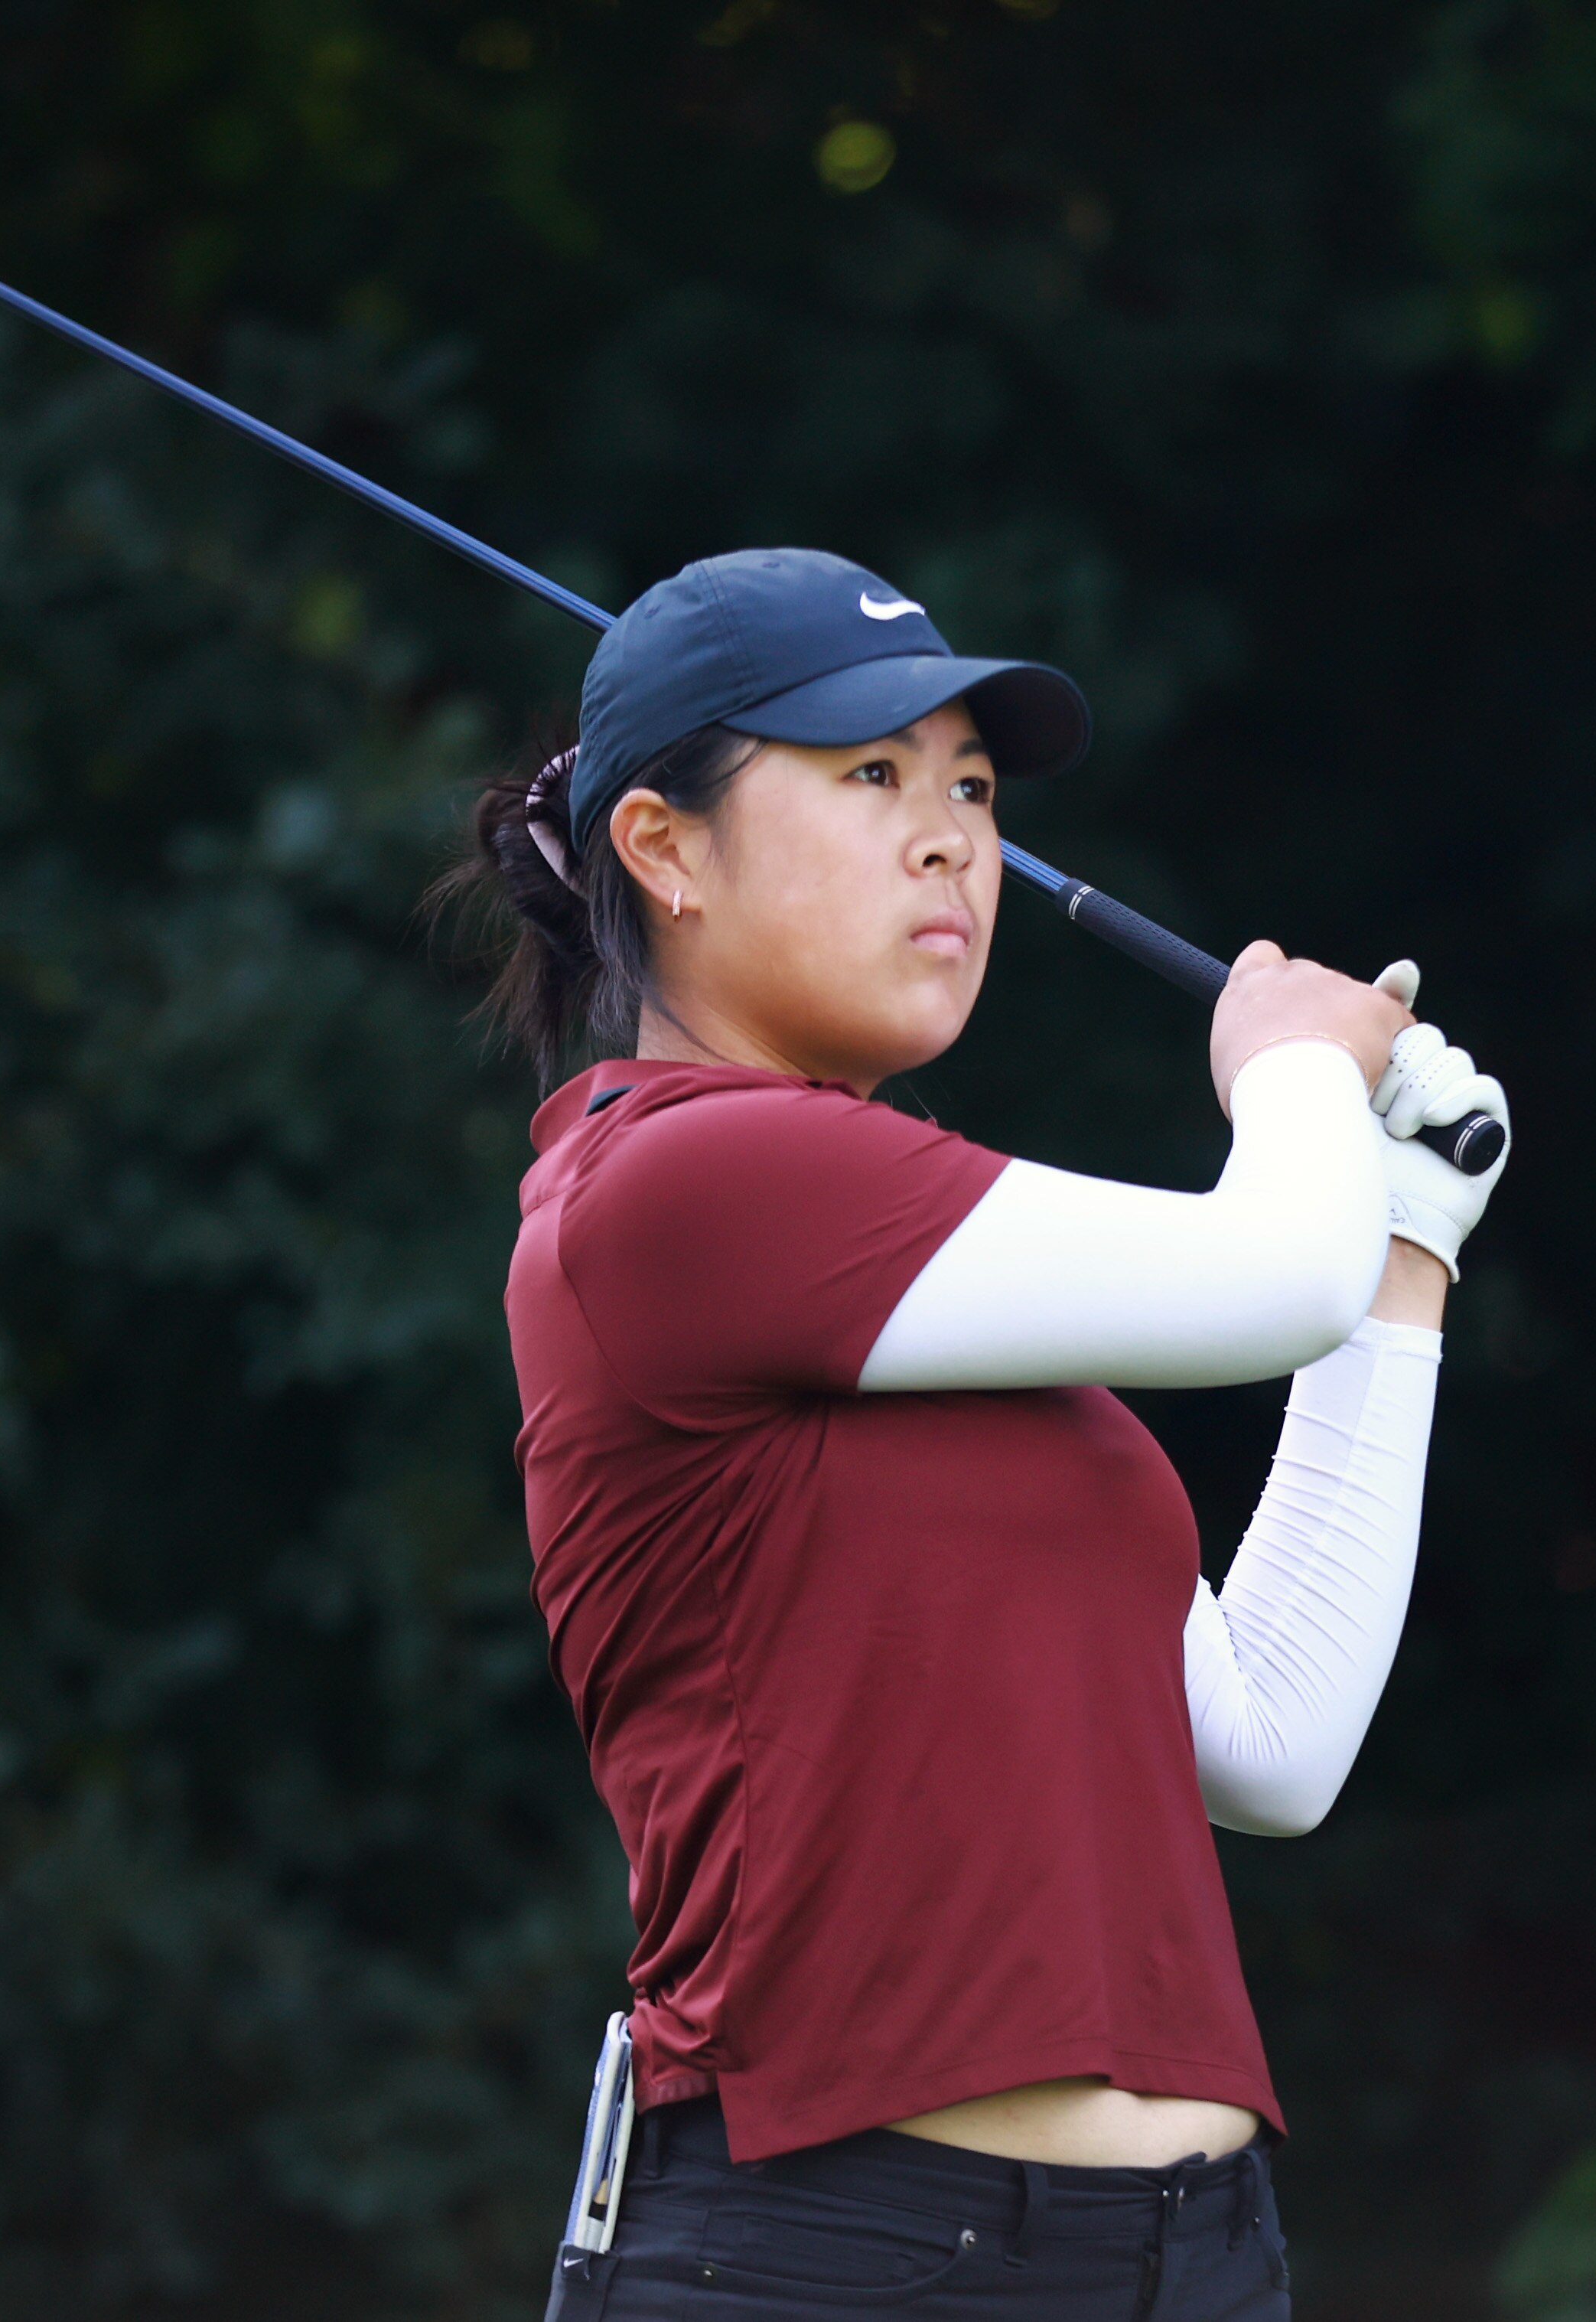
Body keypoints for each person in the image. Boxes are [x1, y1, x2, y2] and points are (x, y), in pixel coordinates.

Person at [440, 549, 1510, 2320]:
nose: (949, 838)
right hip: (831, 2251)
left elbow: (1265, 1741)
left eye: (970, 786)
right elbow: (1265, 1268)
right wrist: (1296, 1062)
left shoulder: (946, 1295)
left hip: (1192, 2260)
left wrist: (1403, 1251)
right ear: (663, 848)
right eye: (869, 775)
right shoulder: (679, 1178)